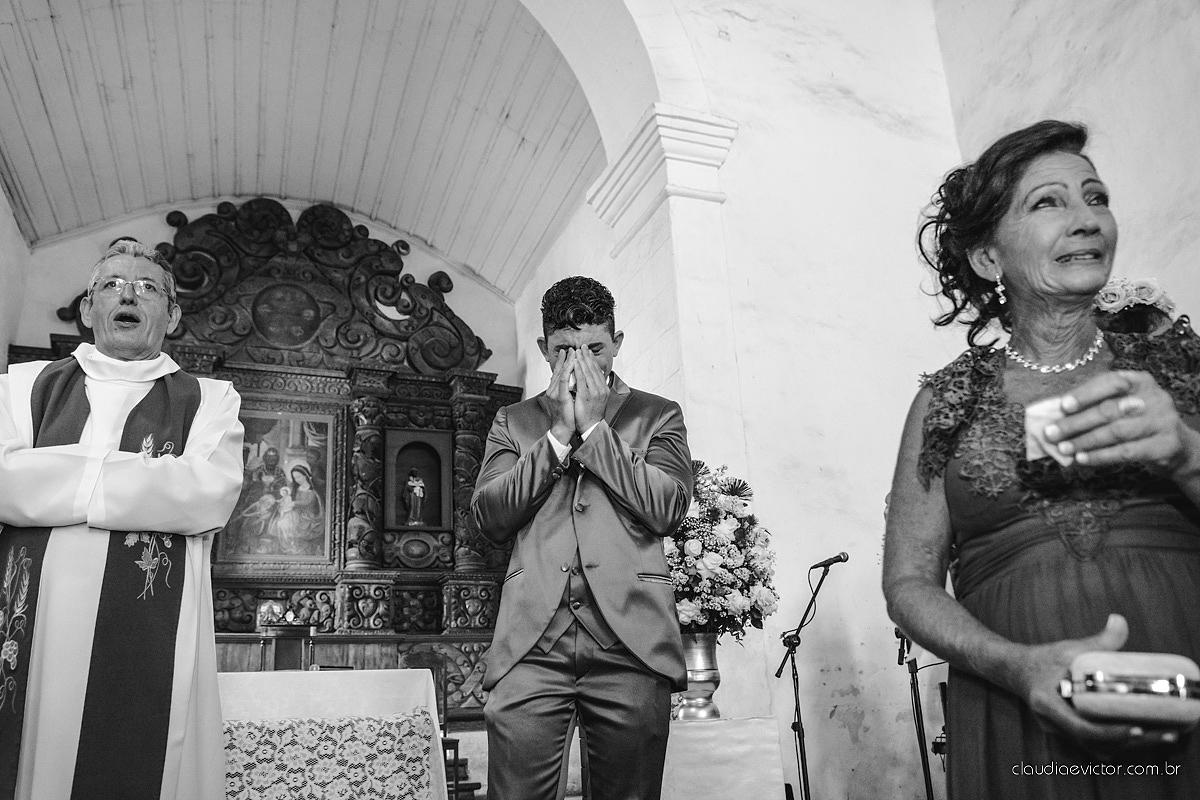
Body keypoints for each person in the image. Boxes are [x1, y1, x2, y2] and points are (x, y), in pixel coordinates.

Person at [883, 120, 1200, 798]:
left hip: (1183, 673)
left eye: (1096, 197)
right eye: (1049, 202)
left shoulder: (1176, 361)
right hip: (1018, 709)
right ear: (989, 258)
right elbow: (908, 582)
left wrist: (1185, 453)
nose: (1086, 220)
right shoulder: (945, 400)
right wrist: (1014, 665)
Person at [0, 239, 244, 800]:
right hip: (33, 627)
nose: (127, 295)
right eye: (111, 284)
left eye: (146, 288)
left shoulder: (209, 399)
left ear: (173, 315)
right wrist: (138, 477)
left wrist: (54, 474)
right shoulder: (24, 385)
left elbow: (207, 493)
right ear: (88, 309)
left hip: (148, 633)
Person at [472, 276, 693, 800]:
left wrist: (594, 431)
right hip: (532, 642)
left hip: (630, 641)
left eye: (595, 347)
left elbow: (668, 508)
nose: (582, 361)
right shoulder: (513, 420)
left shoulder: (657, 414)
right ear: (545, 350)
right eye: (566, 349)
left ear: (617, 343)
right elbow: (489, 515)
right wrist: (555, 437)